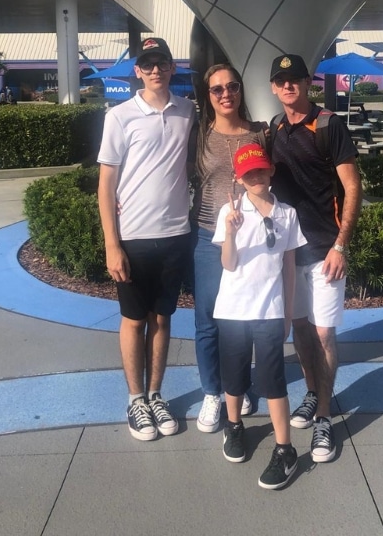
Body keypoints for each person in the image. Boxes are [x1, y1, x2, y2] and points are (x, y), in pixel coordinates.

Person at [97, 37, 197, 442]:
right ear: (137, 70)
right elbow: (106, 184)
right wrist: (112, 243)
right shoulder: (120, 116)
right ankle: (135, 398)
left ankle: (156, 394)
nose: (156, 70)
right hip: (134, 237)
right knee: (134, 319)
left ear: (172, 68)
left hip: (176, 234)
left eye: (162, 63)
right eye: (148, 64)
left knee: (162, 317)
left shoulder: (187, 110)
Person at [269, 54, 362, 463]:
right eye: (281, 80)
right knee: (302, 331)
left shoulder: (328, 125)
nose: (288, 86)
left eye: (295, 79)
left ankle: (324, 417)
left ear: (308, 83)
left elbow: (353, 188)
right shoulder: (273, 130)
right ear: (273, 87)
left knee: (324, 335)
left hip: (326, 249)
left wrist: (341, 245)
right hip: (289, 253)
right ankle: (311, 393)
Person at [213, 143, 306, 489]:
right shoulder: (231, 212)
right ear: (238, 178)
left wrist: (287, 313)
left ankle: (285, 449)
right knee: (234, 376)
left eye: (261, 169)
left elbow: (290, 268)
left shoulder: (288, 214)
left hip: (269, 310)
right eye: (248, 172)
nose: (256, 176)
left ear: (271, 171)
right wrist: (232, 234)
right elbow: (228, 263)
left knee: (273, 380)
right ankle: (234, 426)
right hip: (233, 310)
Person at [192, 63, 268, 433]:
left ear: (240, 90)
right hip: (209, 236)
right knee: (208, 321)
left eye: (232, 86)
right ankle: (211, 392)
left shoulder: (260, 133)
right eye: (217, 89)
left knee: (242, 321)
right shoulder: (199, 136)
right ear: (208, 96)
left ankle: (237, 385)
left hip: (252, 239)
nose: (226, 94)